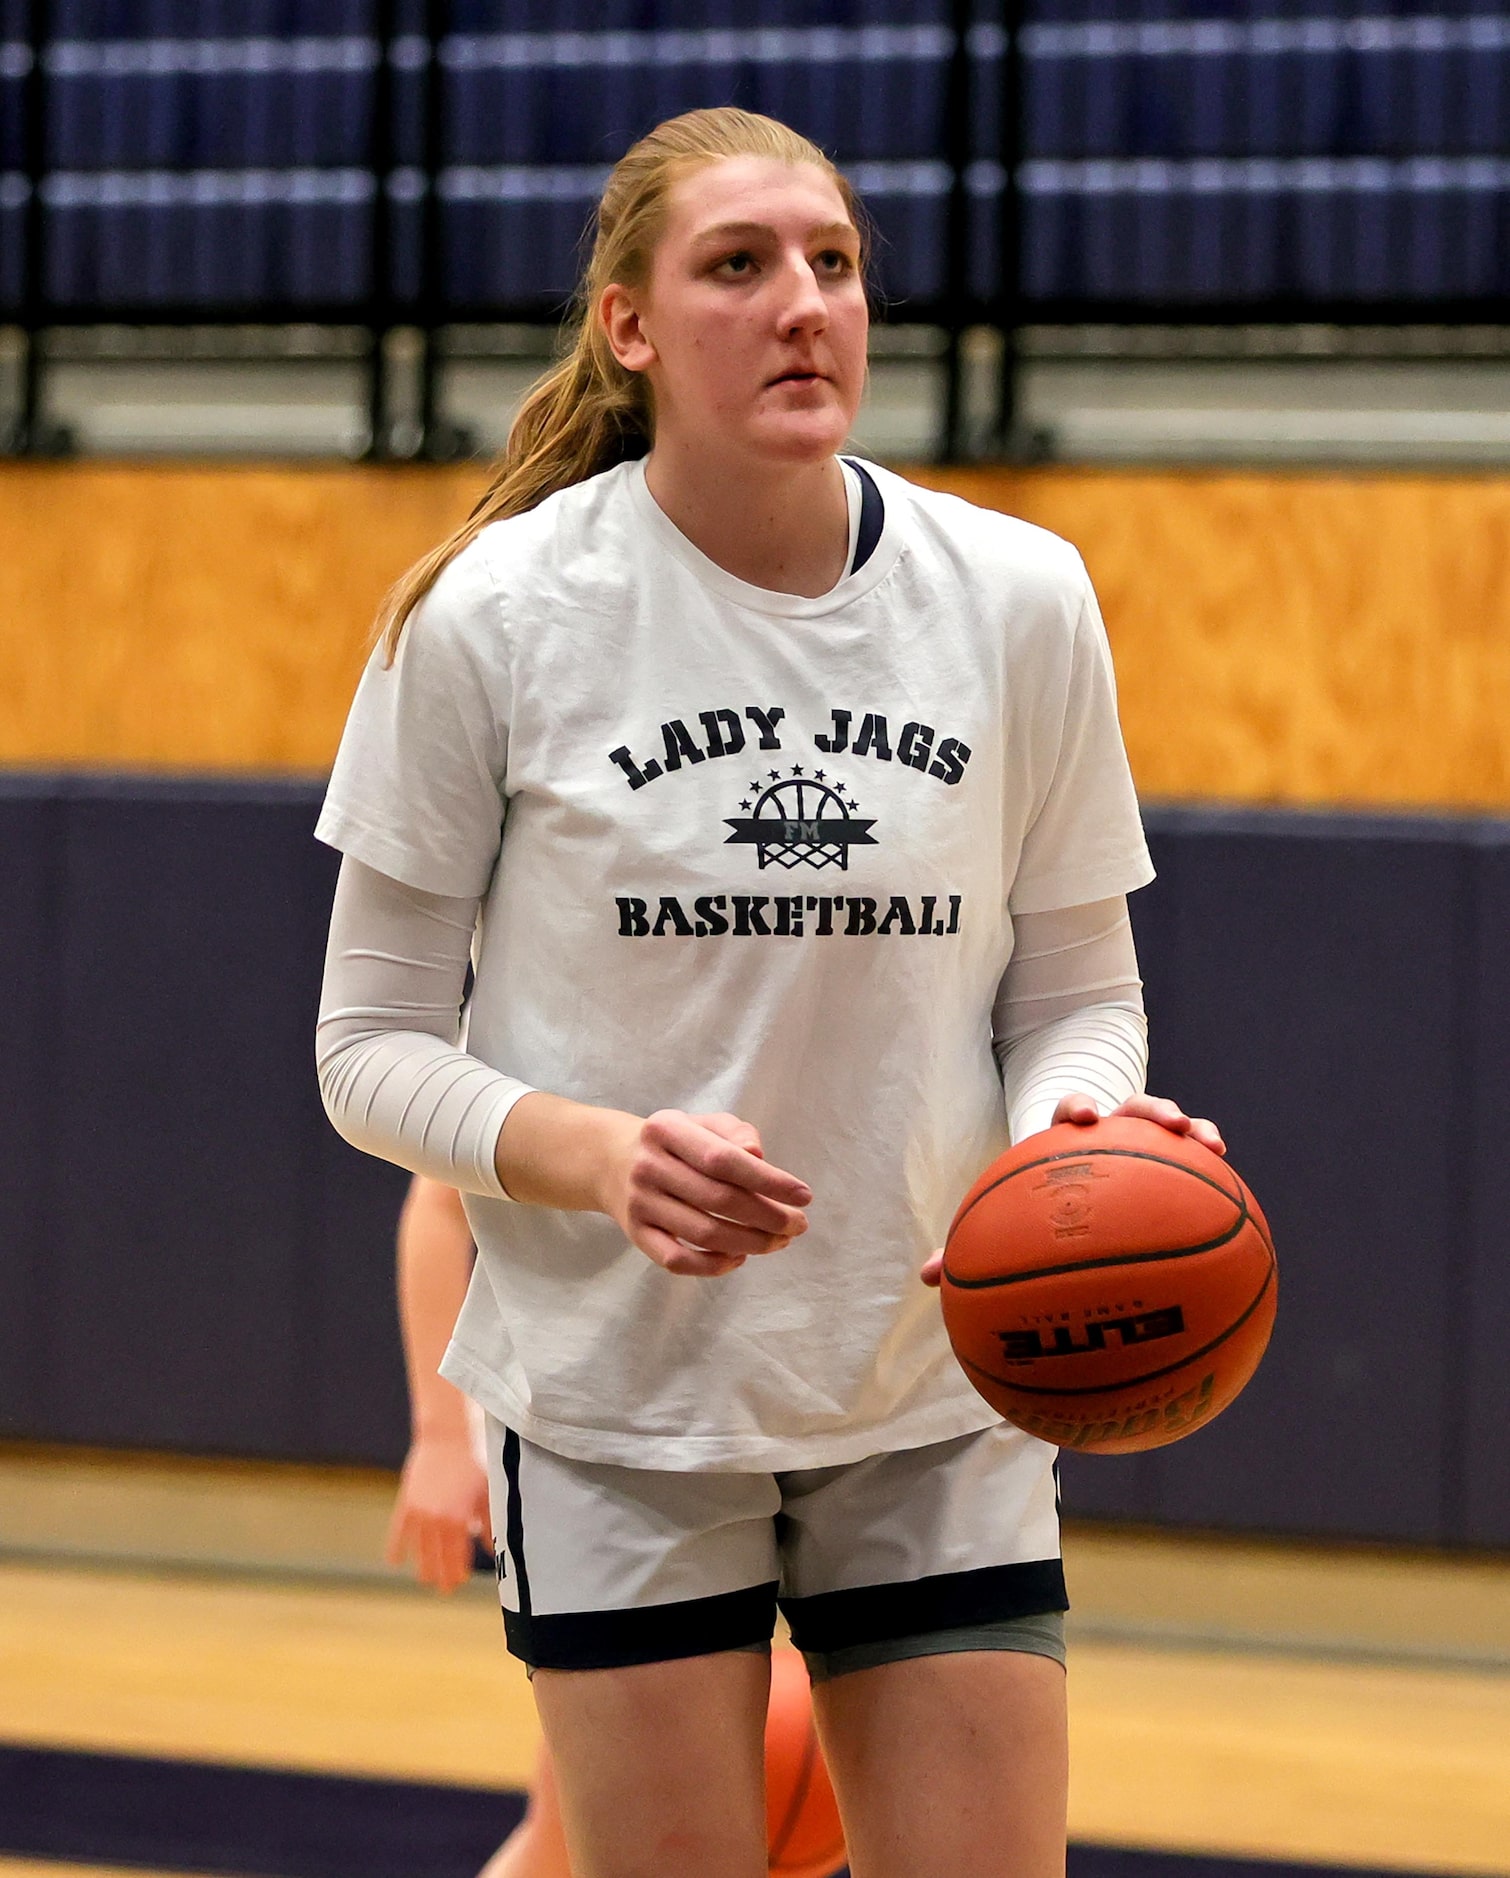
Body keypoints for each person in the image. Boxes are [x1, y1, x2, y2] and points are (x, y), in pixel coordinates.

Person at [315, 106, 1223, 1878]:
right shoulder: (492, 618)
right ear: (629, 328)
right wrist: (592, 1153)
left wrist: (1072, 1135)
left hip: (933, 1381)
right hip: (617, 1410)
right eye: (737, 266)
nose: (802, 302)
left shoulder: (1020, 598)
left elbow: (1077, 996)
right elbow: (366, 1051)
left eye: (832, 263)